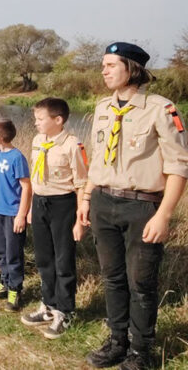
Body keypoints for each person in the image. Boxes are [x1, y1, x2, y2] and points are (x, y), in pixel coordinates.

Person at [78, 42, 188, 370]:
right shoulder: (102, 108)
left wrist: (164, 215)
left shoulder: (161, 109)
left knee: (141, 283)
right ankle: (117, 342)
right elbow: (98, 159)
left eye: (111, 65)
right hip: (103, 202)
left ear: (132, 68)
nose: (104, 70)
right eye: (103, 65)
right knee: (112, 277)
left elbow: (179, 166)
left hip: (142, 207)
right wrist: (86, 198)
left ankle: (141, 351)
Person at [21, 97, 88, 339]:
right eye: (35, 118)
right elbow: (35, 178)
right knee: (43, 258)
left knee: (63, 260)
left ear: (58, 120)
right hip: (40, 203)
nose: (36, 123)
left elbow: (81, 183)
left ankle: (65, 311)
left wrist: (79, 220)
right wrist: (31, 207)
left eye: (40, 119)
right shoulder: (38, 140)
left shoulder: (72, 145)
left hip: (63, 205)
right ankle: (48, 305)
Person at [0, 117, 31, 310]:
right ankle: (5, 283)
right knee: (0, 251)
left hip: (13, 214)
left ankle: (15, 289)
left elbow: (26, 187)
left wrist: (21, 215)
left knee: (13, 253)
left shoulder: (17, 157)